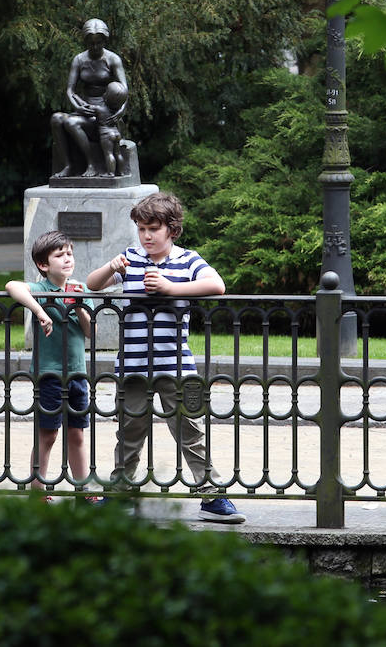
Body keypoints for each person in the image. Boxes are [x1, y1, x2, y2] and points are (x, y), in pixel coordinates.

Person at [84, 191, 244, 523]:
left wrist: (171, 288)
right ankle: (120, 492)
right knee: (129, 431)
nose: (146, 236)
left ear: (171, 229)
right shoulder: (130, 258)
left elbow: (217, 285)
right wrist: (111, 266)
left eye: (152, 229)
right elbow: (92, 284)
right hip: (133, 365)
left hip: (175, 363)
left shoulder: (187, 260)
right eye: (141, 229)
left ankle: (211, 495)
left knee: (189, 429)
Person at [5, 230, 97, 501]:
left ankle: (83, 490)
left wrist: (79, 304)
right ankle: (38, 490)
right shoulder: (41, 289)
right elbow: (13, 286)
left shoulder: (79, 288)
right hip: (48, 374)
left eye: (70, 253)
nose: (68, 259)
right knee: (48, 434)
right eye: (60, 255)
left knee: (77, 435)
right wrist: (40, 311)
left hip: (77, 374)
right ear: (44, 265)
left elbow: (90, 331)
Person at [51, 18, 129, 178]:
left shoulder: (113, 59)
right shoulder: (79, 60)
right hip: (85, 110)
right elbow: (70, 90)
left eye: (99, 42)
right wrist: (78, 107)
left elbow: (124, 90)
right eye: (91, 43)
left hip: (104, 114)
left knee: (71, 122)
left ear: (104, 41)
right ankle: (68, 165)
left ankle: (91, 165)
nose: (95, 47)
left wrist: (120, 110)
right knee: (56, 119)